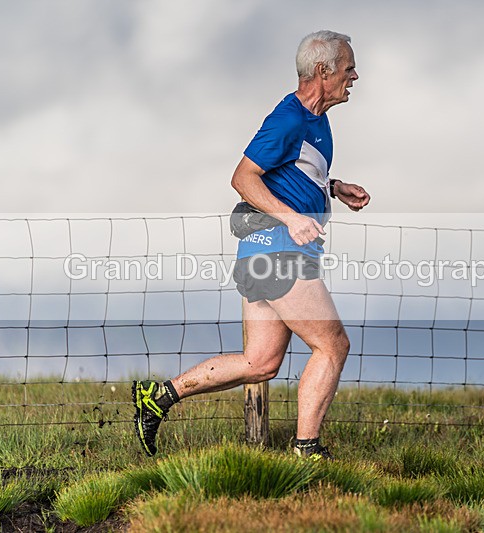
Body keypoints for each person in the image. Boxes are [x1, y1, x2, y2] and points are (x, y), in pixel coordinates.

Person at [132, 30, 370, 459]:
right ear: (323, 71)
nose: (355, 76)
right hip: (277, 252)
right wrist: (293, 218)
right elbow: (242, 178)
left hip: (265, 252)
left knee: (259, 362)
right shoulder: (289, 119)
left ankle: (158, 397)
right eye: (348, 68)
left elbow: (290, 173)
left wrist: (333, 187)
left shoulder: (316, 120)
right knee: (333, 345)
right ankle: (307, 448)